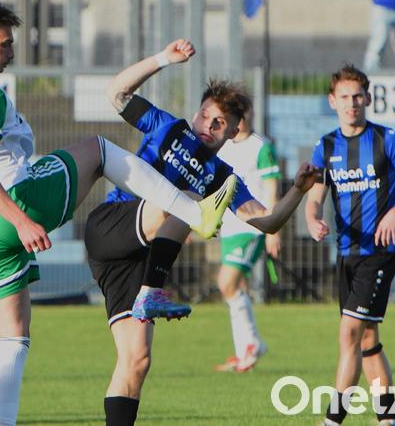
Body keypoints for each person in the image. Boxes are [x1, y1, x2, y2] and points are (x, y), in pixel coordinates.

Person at [0, 2, 239, 426]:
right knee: (99, 150)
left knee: (12, 337)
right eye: (4, 43)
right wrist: (21, 219)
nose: (10, 52)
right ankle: (193, 211)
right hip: (12, 200)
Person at [86, 38, 321, 426]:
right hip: (112, 225)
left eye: (220, 124)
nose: (208, 127)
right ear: (196, 113)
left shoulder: (224, 177)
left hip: (138, 261)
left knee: (137, 360)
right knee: (188, 198)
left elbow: (268, 221)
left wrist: (298, 189)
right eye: (205, 117)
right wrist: (163, 59)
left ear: (233, 132)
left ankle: (149, 294)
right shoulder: (166, 128)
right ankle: (152, 293)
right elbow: (116, 92)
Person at [305, 64, 395, 426]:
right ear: (333, 101)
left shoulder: (387, 140)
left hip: (380, 251)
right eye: (344, 97)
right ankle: (389, 419)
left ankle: (332, 420)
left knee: (350, 332)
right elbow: (315, 197)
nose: (352, 103)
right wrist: (313, 218)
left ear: (368, 99)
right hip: (347, 252)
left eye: (358, 96)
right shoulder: (325, 146)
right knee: (367, 338)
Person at [212, 107, 282, 373]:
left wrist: (273, 228)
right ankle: (245, 350)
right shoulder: (224, 147)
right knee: (235, 287)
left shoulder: (261, 147)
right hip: (229, 227)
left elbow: (272, 187)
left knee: (225, 282)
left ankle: (252, 344)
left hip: (252, 227)